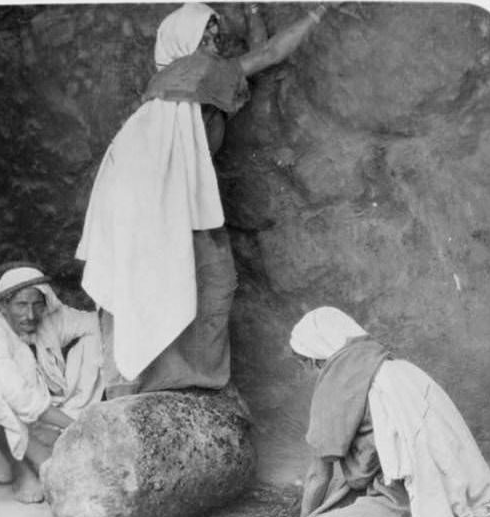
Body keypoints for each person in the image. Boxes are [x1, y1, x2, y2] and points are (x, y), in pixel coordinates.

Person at [75, 3, 328, 399]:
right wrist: (320, 12)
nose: (213, 43)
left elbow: (253, 63)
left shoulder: (193, 78)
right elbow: (268, 55)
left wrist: (255, 11)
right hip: (149, 192)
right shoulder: (195, 72)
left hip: (152, 191)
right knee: (199, 278)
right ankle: (158, 383)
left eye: (215, 36)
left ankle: (177, 380)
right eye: (204, 37)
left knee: (197, 278)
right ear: (182, 43)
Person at [290, 306, 490, 517]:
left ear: (316, 359)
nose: (310, 372)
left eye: (305, 363)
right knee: (339, 498)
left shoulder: (337, 383)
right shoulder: (397, 368)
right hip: (448, 489)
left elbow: (318, 476)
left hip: (408, 501)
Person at [0, 265, 104, 503]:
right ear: (4, 306)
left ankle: (54, 450)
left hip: (53, 418)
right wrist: (77, 426)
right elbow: (19, 398)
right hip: (5, 436)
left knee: (99, 337)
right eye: (21, 305)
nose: (30, 315)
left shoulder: (48, 319)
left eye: (37, 304)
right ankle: (21, 469)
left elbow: (97, 322)